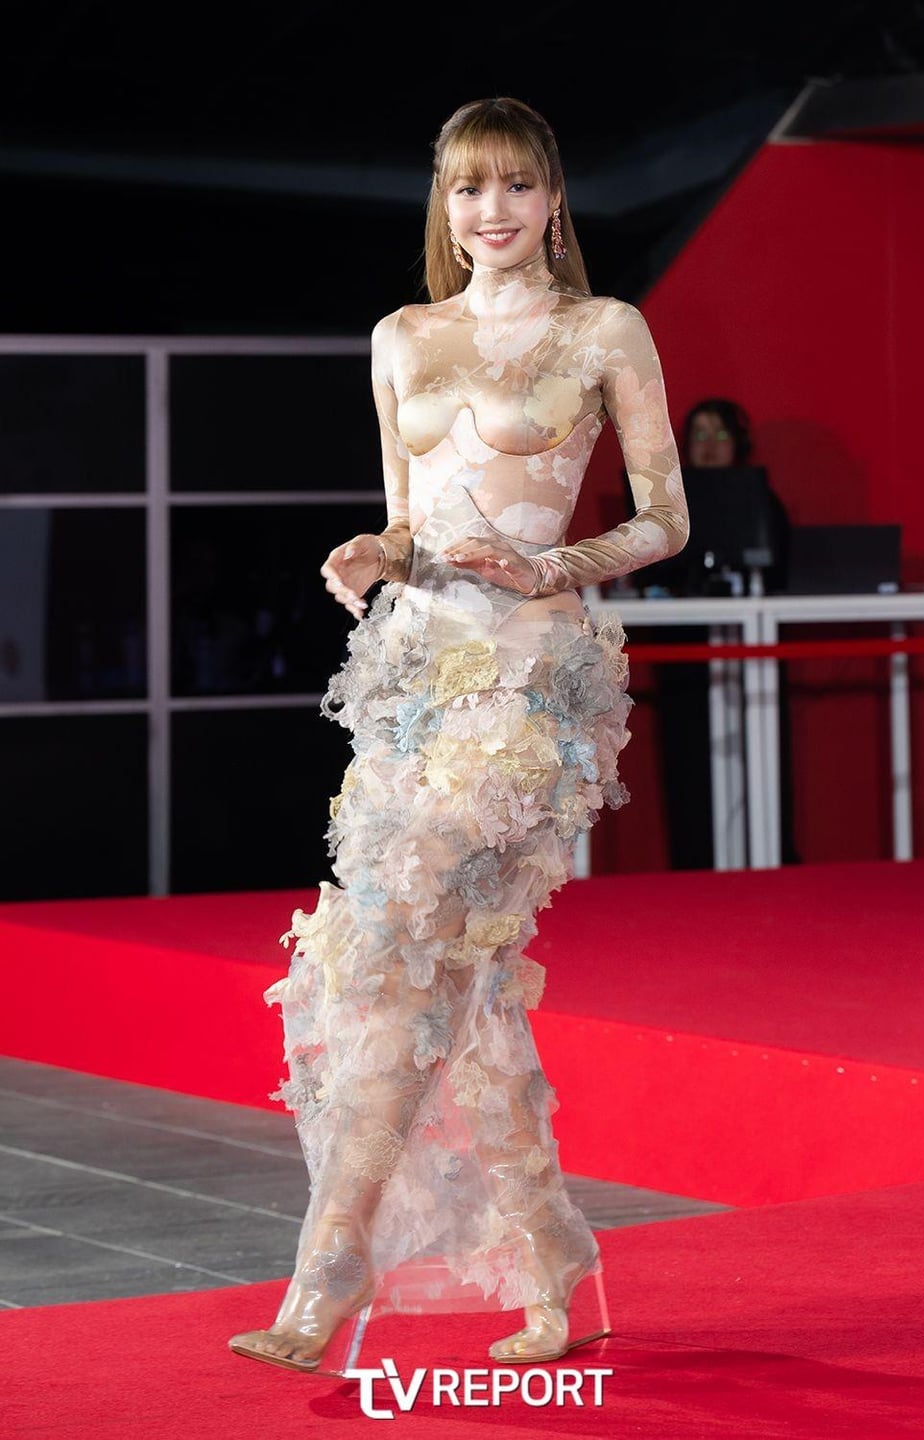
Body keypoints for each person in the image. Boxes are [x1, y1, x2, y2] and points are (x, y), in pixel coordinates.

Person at [227, 95, 689, 1375]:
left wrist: (554, 567)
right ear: (444, 202)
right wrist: (373, 552)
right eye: (468, 188)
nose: (491, 211)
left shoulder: (604, 329)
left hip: (529, 690)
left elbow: (665, 517)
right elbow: (406, 517)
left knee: (393, 957)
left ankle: (329, 1265)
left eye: (515, 185)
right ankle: (555, 1261)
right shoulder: (402, 337)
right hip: (413, 683)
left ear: (554, 199)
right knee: (449, 977)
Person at [644, 398, 800, 868]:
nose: (709, 446)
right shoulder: (665, 509)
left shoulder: (762, 501)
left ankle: (771, 861)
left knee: (762, 761)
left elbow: (779, 572)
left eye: (720, 435)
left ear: (739, 443)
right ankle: (692, 866)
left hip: (751, 657)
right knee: (688, 764)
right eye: (699, 435)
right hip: (685, 658)